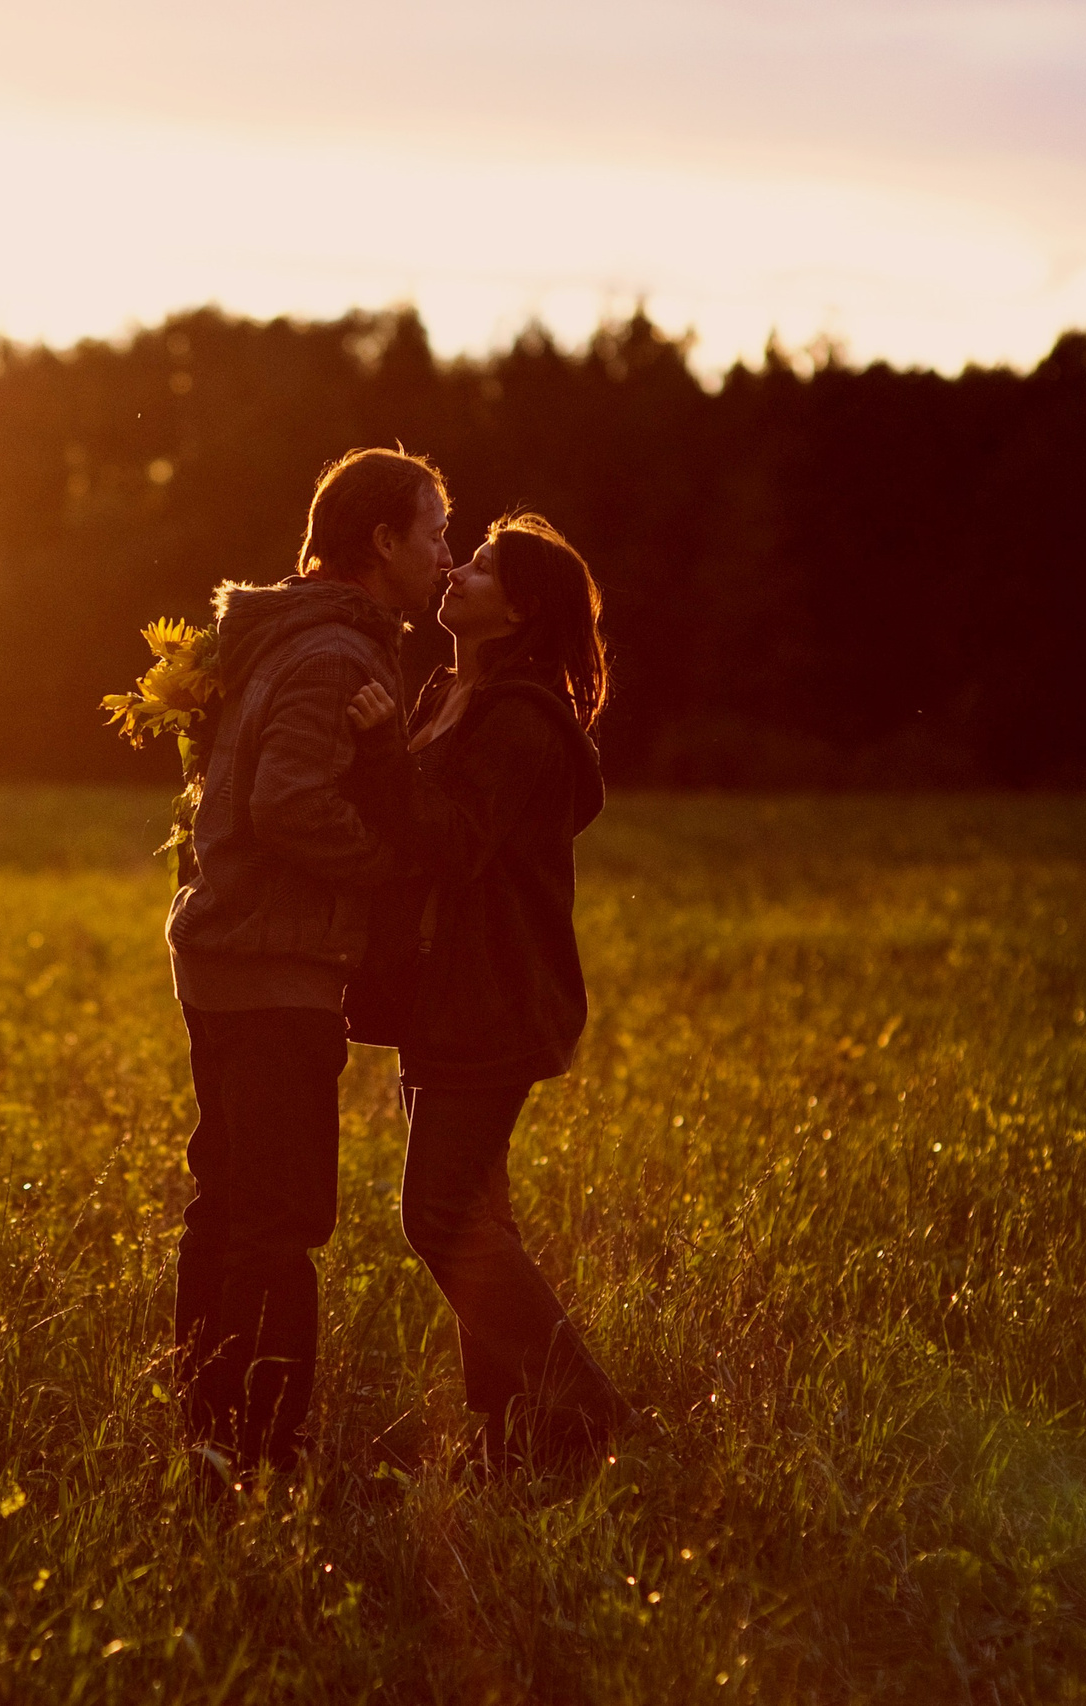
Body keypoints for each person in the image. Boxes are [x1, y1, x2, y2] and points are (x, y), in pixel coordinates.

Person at [167, 446, 453, 1478]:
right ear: (381, 541)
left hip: (228, 952)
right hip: (273, 961)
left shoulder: (279, 636)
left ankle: (207, 1433)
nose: (443, 557)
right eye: (432, 534)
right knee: (281, 1220)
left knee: (229, 1202)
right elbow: (287, 802)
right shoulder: (336, 654)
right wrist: (384, 870)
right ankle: (263, 1453)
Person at [343, 511, 636, 1472]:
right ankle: (515, 1445)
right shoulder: (448, 693)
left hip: (493, 1002)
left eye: (481, 567)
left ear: (521, 610)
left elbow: (453, 843)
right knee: (478, 1216)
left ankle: (588, 1411)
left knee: (438, 1217)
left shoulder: (519, 722)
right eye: (460, 557)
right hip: (447, 1000)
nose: (456, 571)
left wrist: (386, 753)